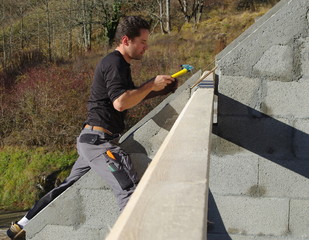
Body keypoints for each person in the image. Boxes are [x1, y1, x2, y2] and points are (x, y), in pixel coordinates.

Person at [7, 16, 177, 239]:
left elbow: (125, 98)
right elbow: (121, 102)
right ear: (126, 40)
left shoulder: (118, 64)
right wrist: (150, 85)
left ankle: (19, 226)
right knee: (130, 191)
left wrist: (158, 90)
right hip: (99, 142)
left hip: (90, 140)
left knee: (66, 188)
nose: (146, 47)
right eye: (142, 41)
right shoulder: (115, 63)